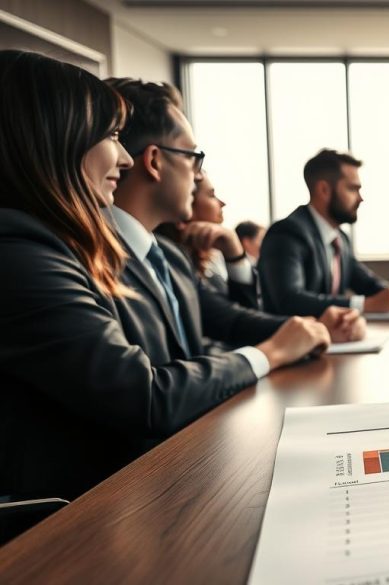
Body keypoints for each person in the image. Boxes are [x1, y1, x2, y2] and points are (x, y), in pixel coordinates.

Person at [0, 50, 327, 501]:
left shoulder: (96, 250)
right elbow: (143, 394)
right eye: (110, 136)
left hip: (156, 480)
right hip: (90, 515)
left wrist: (311, 329)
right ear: (57, 139)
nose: (124, 158)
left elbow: (225, 323)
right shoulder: (22, 252)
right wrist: (270, 351)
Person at [106, 77, 366, 359]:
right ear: (154, 161)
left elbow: (233, 321)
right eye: (192, 157)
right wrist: (271, 353)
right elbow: (148, 389)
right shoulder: (91, 261)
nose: (197, 176)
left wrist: (318, 328)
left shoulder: (169, 257)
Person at [259, 149, 389, 315]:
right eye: (352, 189)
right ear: (324, 190)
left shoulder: (340, 239)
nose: (360, 198)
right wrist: (365, 305)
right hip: (292, 339)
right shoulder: (287, 233)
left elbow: (366, 283)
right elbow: (290, 301)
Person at [156, 172, 262, 309]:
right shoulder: (177, 270)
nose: (222, 203)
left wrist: (235, 256)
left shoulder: (211, 262)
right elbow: (241, 320)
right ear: (188, 205)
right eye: (211, 195)